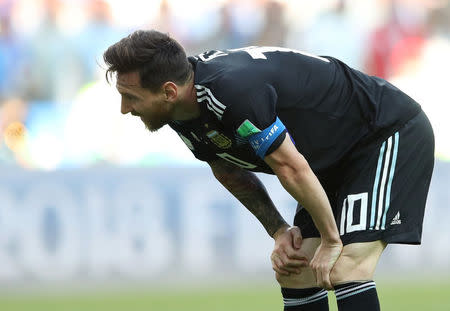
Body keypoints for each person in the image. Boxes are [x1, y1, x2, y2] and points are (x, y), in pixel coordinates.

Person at [103, 30, 434, 311]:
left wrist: (332, 240)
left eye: (130, 97)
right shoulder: (180, 109)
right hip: (332, 159)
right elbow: (227, 169)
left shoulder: (231, 91)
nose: (123, 109)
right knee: (297, 269)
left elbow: (290, 167)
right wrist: (278, 230)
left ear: (168, 92)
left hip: (382, 132)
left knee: (347, 266)